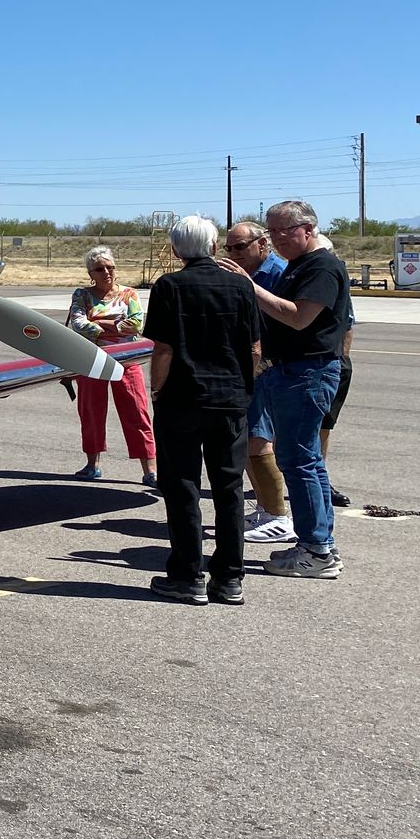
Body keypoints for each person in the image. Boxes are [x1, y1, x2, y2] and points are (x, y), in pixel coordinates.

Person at [217, 199, 352, 579]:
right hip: (292, 374)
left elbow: (298, 318)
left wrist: (248, 286)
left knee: (300, 461)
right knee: (306, 461)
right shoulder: (299, 266)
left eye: (283, 230)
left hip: (306, 375)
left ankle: (317, 550)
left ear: (308, 229)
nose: (276, 238)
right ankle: (318, 544)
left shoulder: (321, 267)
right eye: (272, 230)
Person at [141, 216, 260, 605]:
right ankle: (229, 578)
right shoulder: (242, 286)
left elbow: (163, 349)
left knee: (182, 487)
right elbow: (255, 348)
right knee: (229, 490)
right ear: (212, 246)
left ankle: (187, 574)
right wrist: (246, 388)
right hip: (230, 400)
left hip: (182, 399)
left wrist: (156, 390)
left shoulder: (169, 286)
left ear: (177, 250)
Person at [220, 220, 292, 542]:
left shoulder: (277, 274)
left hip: (270, 367)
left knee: (258, 441)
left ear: (262, 245)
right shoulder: (242, 274)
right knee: (249, 439)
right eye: (229, 248)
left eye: (240, 247)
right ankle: (265, 508)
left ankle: (279, 516)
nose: (234, 253)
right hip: (251, 368)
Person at [67, 247, 157, 485]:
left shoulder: (129, 294)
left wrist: (98, 322)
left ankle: (150, 469)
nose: (106, 272)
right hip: (92, 359)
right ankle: (92, 464)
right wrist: (112, 325)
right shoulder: (82, 295)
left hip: (127, 360)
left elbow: (136, 324)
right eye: (99, 269)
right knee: (91, 412)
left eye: (110, 267)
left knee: (137, 412)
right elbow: (78, 323)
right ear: (90, 273)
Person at [314, 235, 357, 508]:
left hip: (332, 364)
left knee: (324, 426)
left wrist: (340, 361)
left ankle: (320, 480)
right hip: (303, 367)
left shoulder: (336, 281)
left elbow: (349, 323)